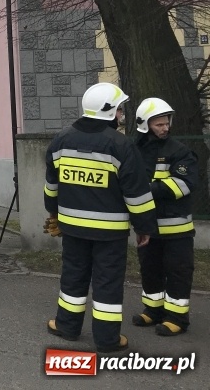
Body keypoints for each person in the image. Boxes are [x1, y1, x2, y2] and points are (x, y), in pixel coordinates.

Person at [43, 82, 157, 353]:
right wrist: (144, 227)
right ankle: (107, 340)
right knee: (107, 283)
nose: (121, 115)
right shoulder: (120, 145)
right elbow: (137, 194)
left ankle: (67, 327)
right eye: (119, 110)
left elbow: (51, 187)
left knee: (72, 277)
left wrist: (54, 214)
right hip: (110, 233)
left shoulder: (61, 140)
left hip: (72, 228)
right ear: (109, 111)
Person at [132, 97, 197, 336]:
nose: (165, 127)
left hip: (176, 229)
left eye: (166, 123)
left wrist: (145, 189)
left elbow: (184, 184)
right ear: (144, 124)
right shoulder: (135, 150)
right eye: (159, 124)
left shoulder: (179, 151)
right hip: (147, 225)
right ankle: (153, 311)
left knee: (178, 272)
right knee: (150, 269)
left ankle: (177, 319)